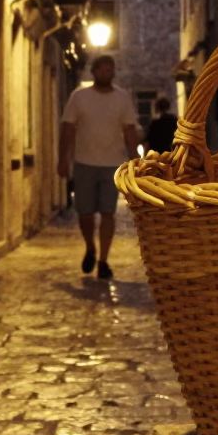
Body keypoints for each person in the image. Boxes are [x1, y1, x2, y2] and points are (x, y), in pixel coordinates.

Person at [57, 54, 140, 280]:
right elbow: (68, 128)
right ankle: (90, 248)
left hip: (112, 164)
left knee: (108, 213)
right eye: (102, 69)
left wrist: (135, 161)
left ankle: (103, 260)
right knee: (85, 213)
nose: (106, 72)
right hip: (84, 162)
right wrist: (63, 158)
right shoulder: (79, 97)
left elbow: (129, 131)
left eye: (109, 69)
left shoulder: (122, 99)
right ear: (94, 71)